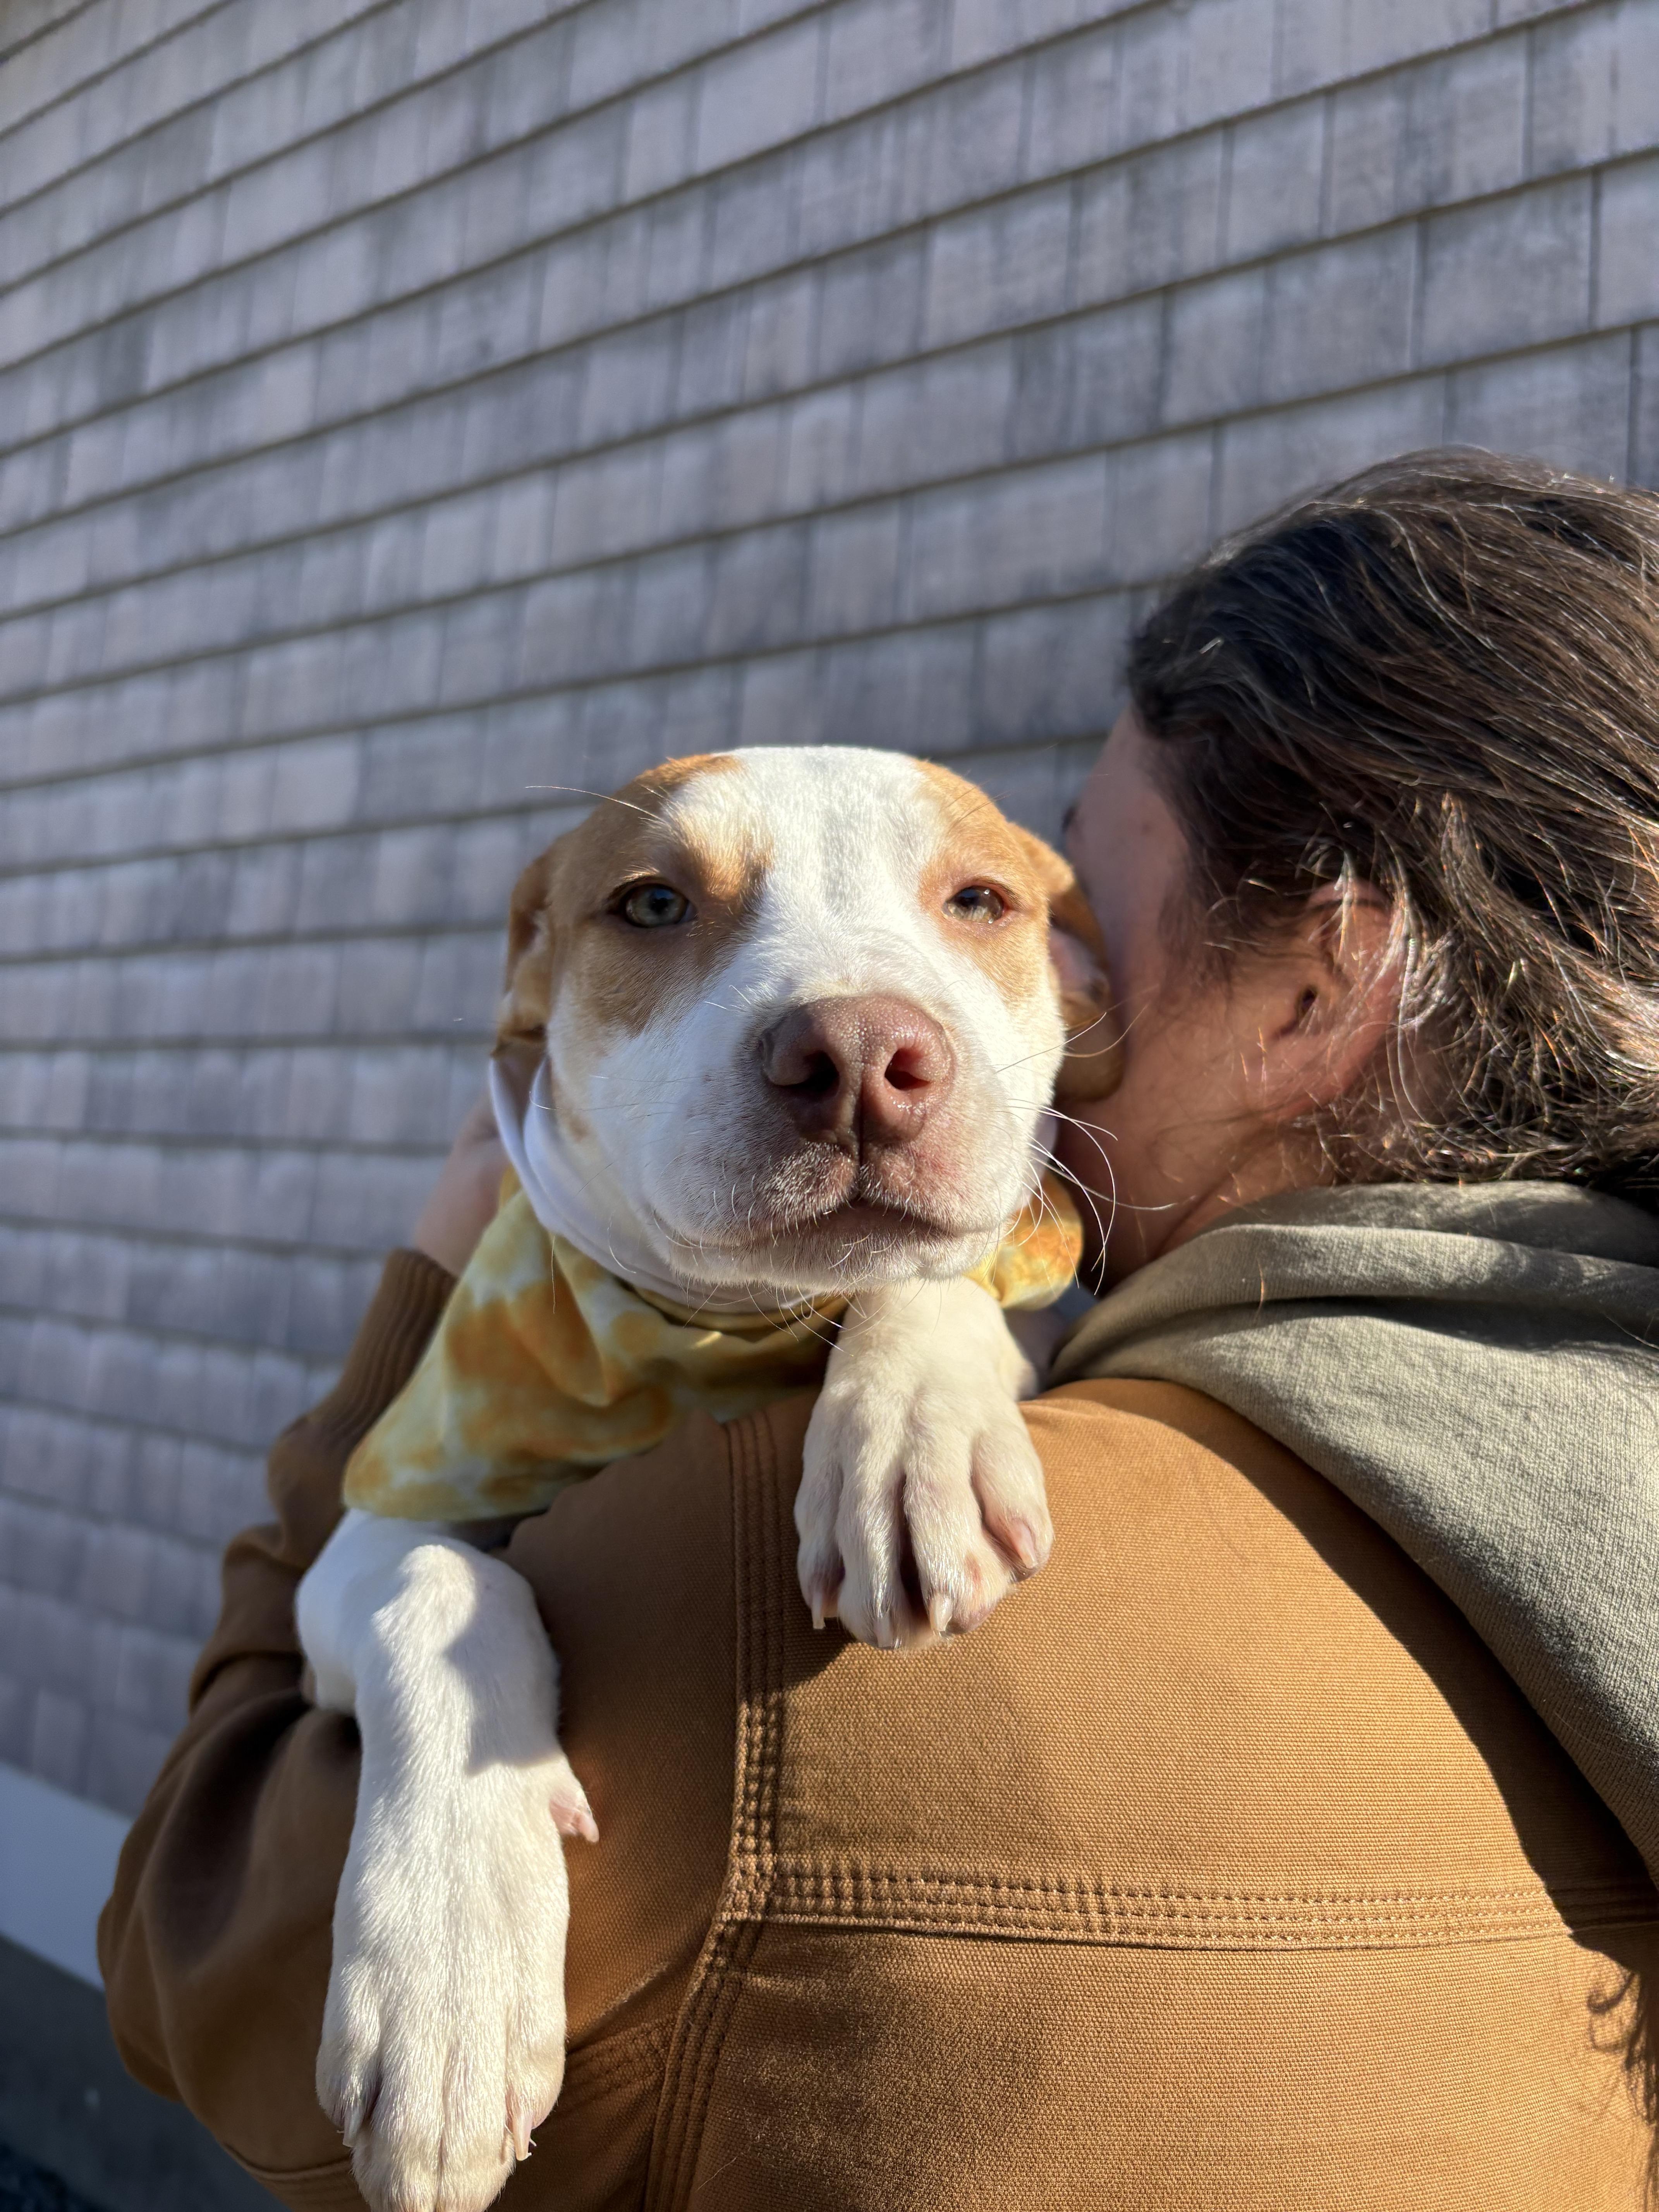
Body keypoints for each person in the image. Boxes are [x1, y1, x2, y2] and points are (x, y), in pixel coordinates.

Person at [100, 453, 1659, 2210]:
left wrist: (416, 1321)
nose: (861, 1030)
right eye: (664, 909)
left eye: (1012, 903)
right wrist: (928, 1322)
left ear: (1320, 999)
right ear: (530, 987)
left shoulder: (761, 1600)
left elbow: (195, 1959)